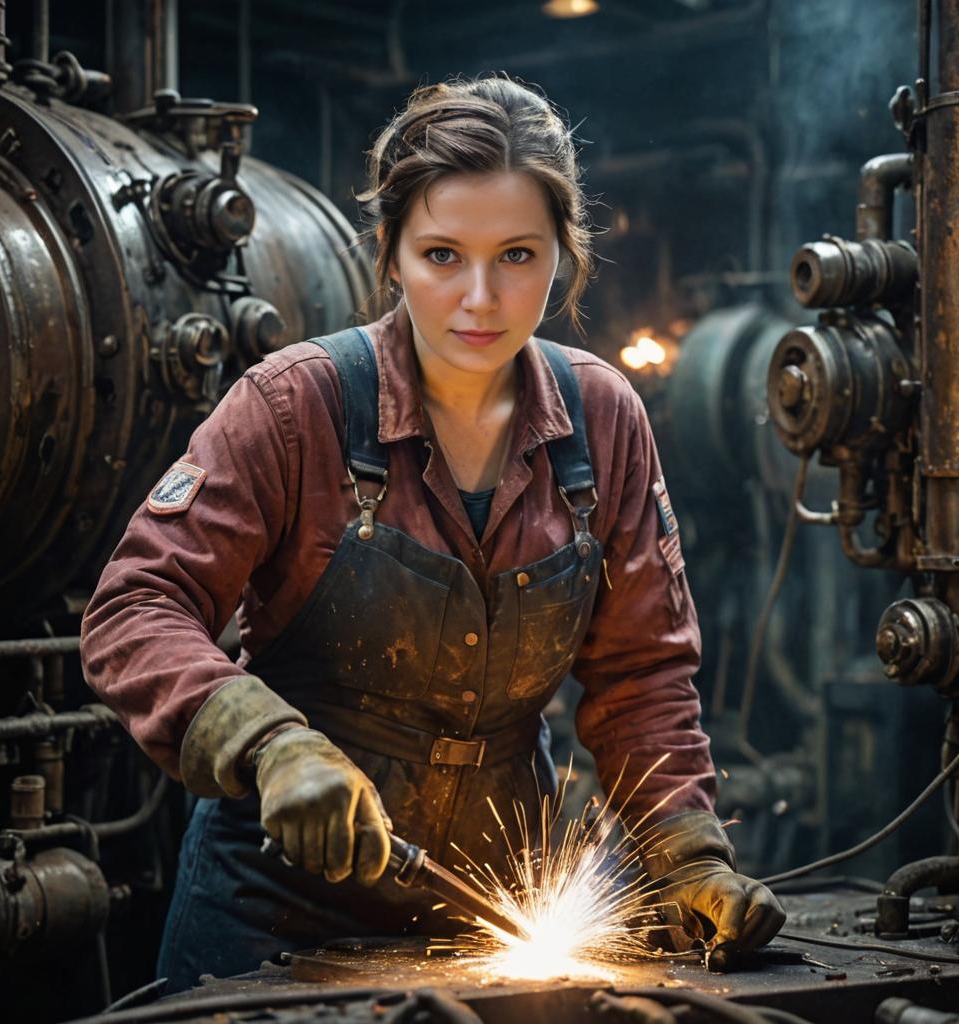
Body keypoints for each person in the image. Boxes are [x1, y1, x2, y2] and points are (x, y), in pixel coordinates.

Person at [81, 75, 784, 993]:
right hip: (271, 912)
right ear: (392, 254)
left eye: (519, 255)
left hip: (495, 913)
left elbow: (641, 673)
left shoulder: (603, 419)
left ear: (564, 257)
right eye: (444, 254)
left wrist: (689, 856)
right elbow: (136, 606)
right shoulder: (297, 407)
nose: (481, 299)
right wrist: (270, 744)